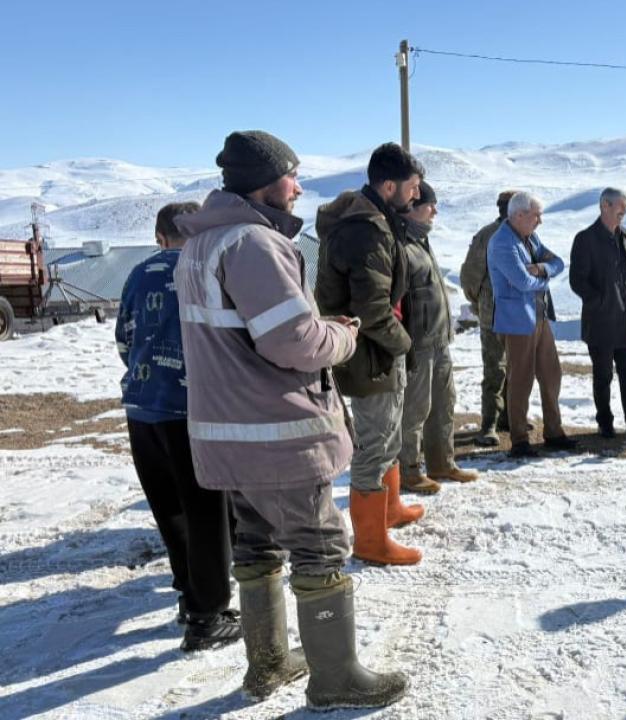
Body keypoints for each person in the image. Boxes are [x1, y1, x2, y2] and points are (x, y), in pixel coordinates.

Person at [174, 130, 406, 708]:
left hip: (230, 433)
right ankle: (335, 679)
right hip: (277, 433)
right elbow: (292, 340)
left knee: (256, 543)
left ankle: (268, 662)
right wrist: (343, 337)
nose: (299, 188)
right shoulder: (254, 244)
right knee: (319, 545)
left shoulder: (202, 245)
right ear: (265, 182)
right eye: (291, 176)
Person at [117, 201, 240, 652]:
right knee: (207, 512)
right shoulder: (205, 270)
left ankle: (189, 596)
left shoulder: (138, 273)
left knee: (170, 510)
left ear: (160, 237)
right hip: (192, 408)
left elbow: (123, 339)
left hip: (141, 407)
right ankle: (208, 617)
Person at [314, 143, 425, 566]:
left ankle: (389, 510)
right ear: (389, 186)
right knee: (374, 444)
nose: (417, 195)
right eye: (412, 187)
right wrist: (404, 344)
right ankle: (370, 541)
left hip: (378, 349)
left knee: (388, 435)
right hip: (369, 353)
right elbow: (372, 309)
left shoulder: (378, 220)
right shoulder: (367, 230)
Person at [397, 181, 479, 492]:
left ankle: (442, 462)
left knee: (444, 404)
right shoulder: (402, 244)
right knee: (415, 409)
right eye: (429, 205)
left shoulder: (422, 240)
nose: (435, 211)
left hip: (439, 340)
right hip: (418, 343)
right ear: (412, 208)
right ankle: (408, 469)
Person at [487, 191, 577, 458]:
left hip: (539, 316)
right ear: (519, 215)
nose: (540, 221)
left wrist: (541, 269)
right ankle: (519, 440)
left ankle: (554, 431)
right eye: (536, 215)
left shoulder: (529, 237)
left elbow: (557, 263)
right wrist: (544, 278)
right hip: (516, 321)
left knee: (551, 374)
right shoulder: (502, 243)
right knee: (520, 380)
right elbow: (522, 282)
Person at [570, 187, 626, 438]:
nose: (625, 211)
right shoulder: (585, 239)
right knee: (603, 376)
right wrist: (599, 301)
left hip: (625, 320)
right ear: (605, 206)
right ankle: (605, 423)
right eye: (621, 206)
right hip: (600, 321)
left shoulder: (625, 235)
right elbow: (577, 280)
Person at [460, 190, 517, 447]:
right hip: (493, 314)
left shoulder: (525, 234)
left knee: (516, 368)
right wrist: (479, 303)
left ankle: (509, 417)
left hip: (518, 315)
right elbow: (470, 276)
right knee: (495, 369)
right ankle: (489, 424)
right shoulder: (487, 236)